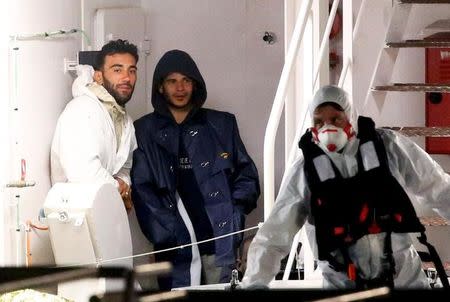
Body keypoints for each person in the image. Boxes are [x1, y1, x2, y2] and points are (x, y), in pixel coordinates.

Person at [242, 85, 450, 289]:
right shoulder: (305, 171)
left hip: (403, 278)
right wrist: (254, 282)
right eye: (319, 121)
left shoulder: (388, 146)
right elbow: (276, 232)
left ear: (350, 116)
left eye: (335, 119)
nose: (327, 128)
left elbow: (439, 188)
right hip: (343, 285)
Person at [131, 49, 260, 290]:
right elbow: (142, 189)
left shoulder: (221, 124)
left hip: (219, 241)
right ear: (161, 87)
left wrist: (234, 213)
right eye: (172, 81)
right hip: (174, 247)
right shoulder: (144, 130)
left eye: (186, 81)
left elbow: (247, 175)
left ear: (195, 85)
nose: (180, 88)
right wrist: (166, 232)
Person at [51, 39, 138, 209]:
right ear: (98, 76)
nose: (127, 78)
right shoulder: (81, 110)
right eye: (117, 70)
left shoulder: (123, 118)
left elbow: (125, 164)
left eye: (132, 70)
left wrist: (124, 182)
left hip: (104, 212)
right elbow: (84, 174)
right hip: (77, 216)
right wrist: (119, 189)